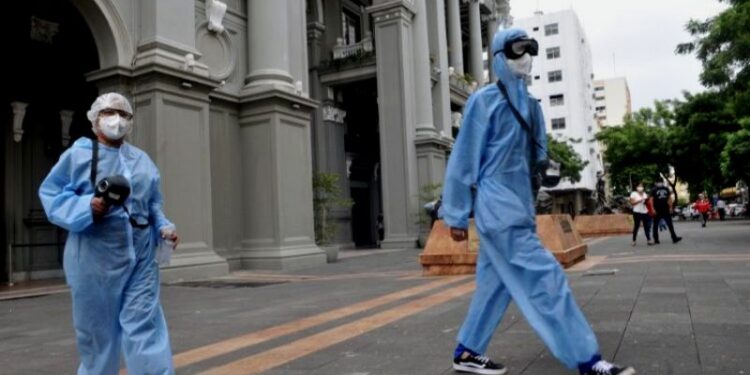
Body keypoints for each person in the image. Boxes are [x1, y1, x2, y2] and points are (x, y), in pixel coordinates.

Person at [440, 27, 635, 375]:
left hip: (521, 203)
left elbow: (535, 157)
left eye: (530, 50)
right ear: (500, 56)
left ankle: (467, 351)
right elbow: (463, 159)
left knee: (495, 284)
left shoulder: (531, 106)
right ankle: (588, 360)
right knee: (546, 277)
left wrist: (545, 172)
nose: (525, 57)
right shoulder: (483, 101)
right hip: (497, 205)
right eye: (517, 51)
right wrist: (455, 215)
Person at [39, 93, 179, 375]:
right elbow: (51, 194)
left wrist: (164, 227)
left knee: (144, 324)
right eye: (109, 112)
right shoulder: (78, 155)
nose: (116, 119)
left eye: (123, 114)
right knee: (97, 333)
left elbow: (152, 203)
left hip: (141, 259)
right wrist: (86, 206)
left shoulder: (142, 161)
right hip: (93, 259)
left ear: (130, 121)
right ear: (95, 119)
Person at [649, 179, 682, 244]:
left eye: (661, 182)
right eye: (659, 182)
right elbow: (651, 200)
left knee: (670, 224)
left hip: (665, 209)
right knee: (655, 225)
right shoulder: (654, 190)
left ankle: (674, 238)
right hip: (657, 209)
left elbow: (669, 198)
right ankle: (656, 239)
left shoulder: (666, 188)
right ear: (656, 183)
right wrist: (652, 209)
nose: (660, 183)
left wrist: (671, 207)